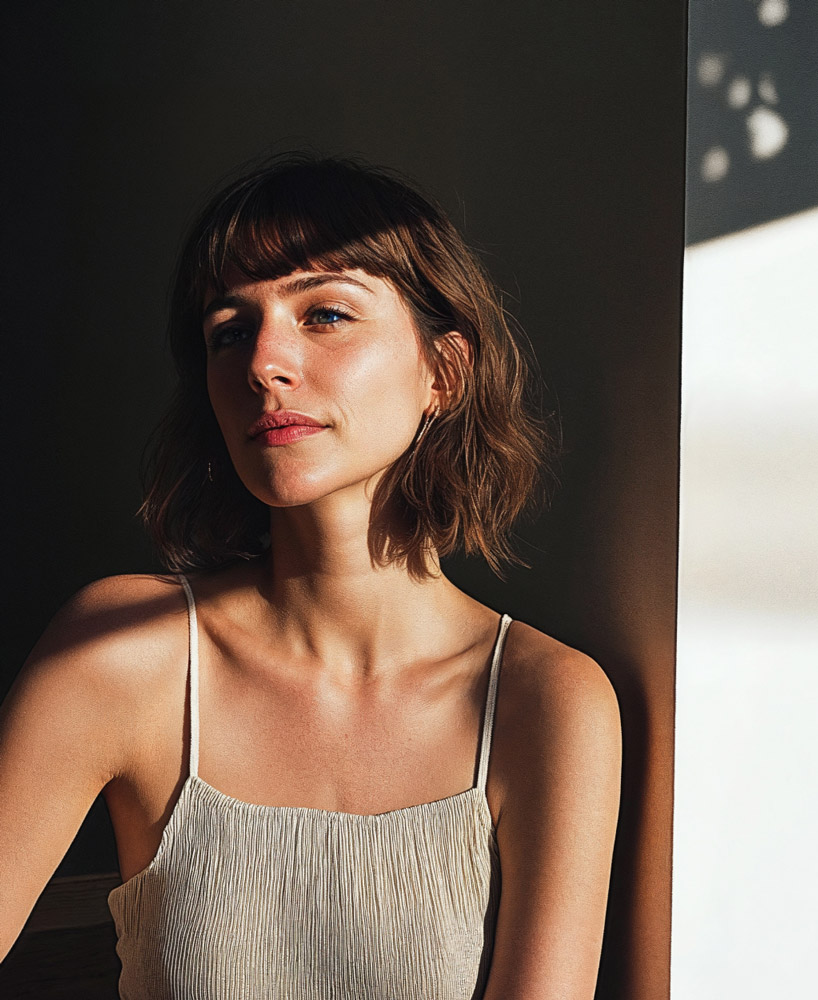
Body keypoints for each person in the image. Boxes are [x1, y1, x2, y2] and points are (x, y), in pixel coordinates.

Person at [0, 155, 622, 998]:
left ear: (444, 371)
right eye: (229, 331)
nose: (263, 362)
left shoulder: (546, 703)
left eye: (324, 314)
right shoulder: (125, 656)